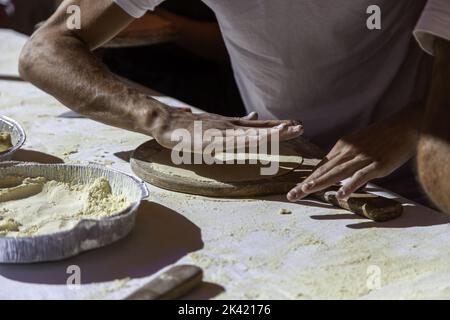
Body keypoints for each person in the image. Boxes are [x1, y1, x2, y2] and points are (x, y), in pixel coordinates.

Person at [19, 1, 450, 212]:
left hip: (416, 188)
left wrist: (413, 126)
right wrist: (160, 118)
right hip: (276, 181)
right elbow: (47, 48)